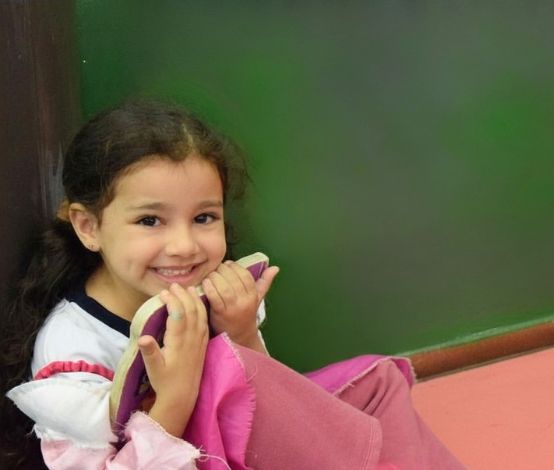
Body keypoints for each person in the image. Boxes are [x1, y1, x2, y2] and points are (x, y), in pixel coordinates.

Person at [0, 100, 465, 469]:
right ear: (88, 227)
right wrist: (174, 399)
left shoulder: (206, 292)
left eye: (204, 217)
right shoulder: (73, 353)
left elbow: (270, 404)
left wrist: (241, 332)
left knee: (377, 384)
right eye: (149, 220)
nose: (183, 246)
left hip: (241, 444)